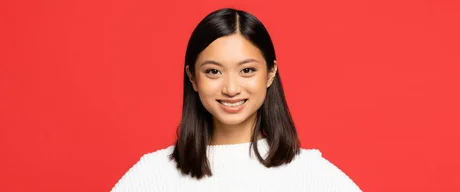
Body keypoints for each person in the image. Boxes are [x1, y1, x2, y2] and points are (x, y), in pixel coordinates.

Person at [111, 7, 362, 192]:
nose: (231, 89)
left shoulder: (311, 175)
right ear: (193, 77)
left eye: (247, 70)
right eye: (213, 71)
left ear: (270, 73)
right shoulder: (153, 175)